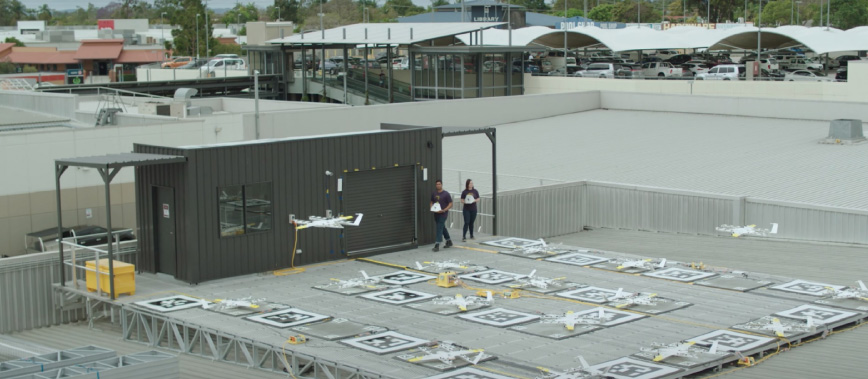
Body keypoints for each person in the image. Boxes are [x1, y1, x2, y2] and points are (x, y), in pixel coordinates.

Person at [430, 179, 453, 252]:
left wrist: (444, 210)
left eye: (439, 184)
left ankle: (437, 245)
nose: (438, 185)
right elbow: (431, 202)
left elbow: (450, 203)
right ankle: (449, 241)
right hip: (436, 213)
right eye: (437, 184)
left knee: (439, 228)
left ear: (442, 185)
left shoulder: (446, 194)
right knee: (442, 227)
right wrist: (431, 208)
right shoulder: (434, 193)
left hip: (443, 214)